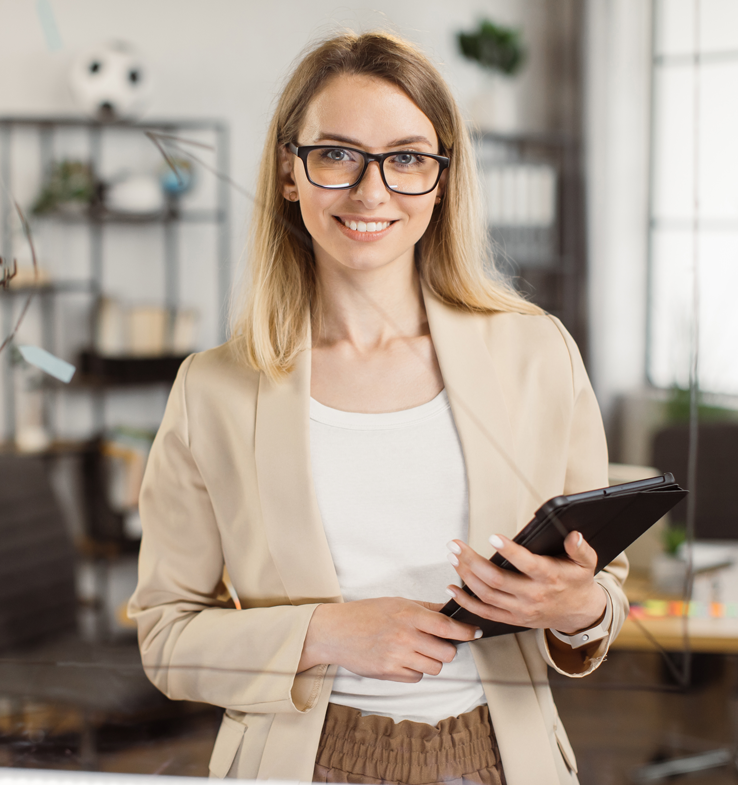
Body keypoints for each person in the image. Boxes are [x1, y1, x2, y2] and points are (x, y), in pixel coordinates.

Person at [127, 31, 627, 785]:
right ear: (291, 172)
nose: (371, 192)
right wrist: (322, 632)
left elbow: (602, 596)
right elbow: (167, 638)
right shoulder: (214, 389)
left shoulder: (539, 354)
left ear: (441, 179)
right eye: (337, 155)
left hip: (503, 761)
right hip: (301, 761)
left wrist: (578, 603)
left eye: (407, 158)